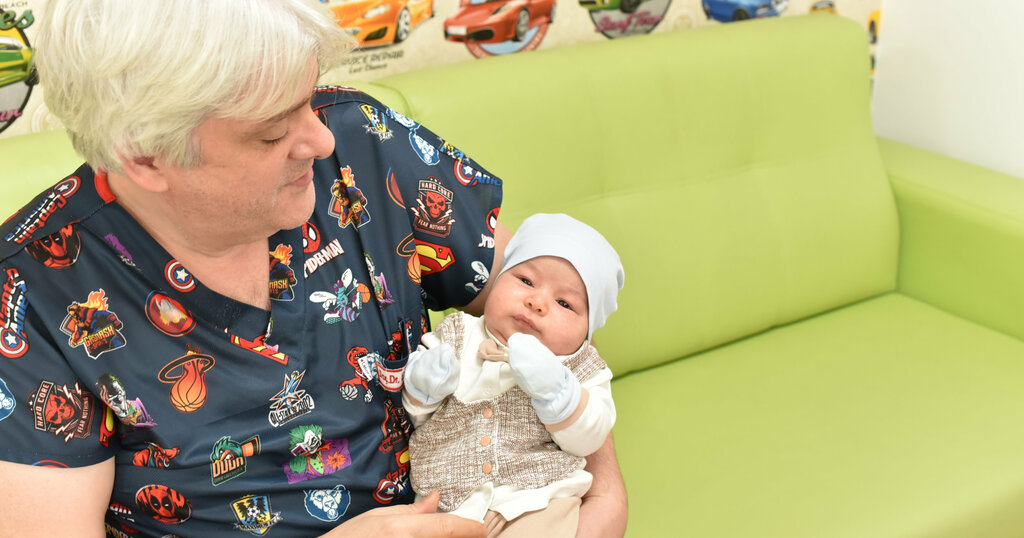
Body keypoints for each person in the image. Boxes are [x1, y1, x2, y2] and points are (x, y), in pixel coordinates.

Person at [0, 0, 627, 536]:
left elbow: (542, 305)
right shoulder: (33, 294)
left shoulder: (362, 142)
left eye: (307, 97)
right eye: (272, 133)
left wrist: (599, 492)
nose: (320, 141)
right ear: (146, 156)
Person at [403, 214, 624, 537]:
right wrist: (425, 386)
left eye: (564, 303)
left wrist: (558, 391)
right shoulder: (457, 334)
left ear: (587, 332)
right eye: (526, 281)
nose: (537, 302)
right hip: (448, 505)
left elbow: (588, 438)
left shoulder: (582, 368)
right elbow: (416, 417)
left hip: (538, 502)